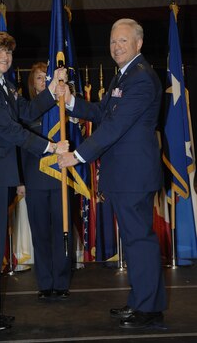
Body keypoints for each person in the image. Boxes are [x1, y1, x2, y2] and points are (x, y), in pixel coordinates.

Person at [58, 19, 167, 329]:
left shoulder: (142, 78)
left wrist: (77, 156)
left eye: (123, 41)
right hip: (124, 174)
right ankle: (142, 301)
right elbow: (102, 113)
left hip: (134, 174)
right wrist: (71, 101)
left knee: (139, 241)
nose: (117, 46)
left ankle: (148, 308)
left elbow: (116, 127)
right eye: (113, 41)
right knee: (134, 241)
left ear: (138, 44)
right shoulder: (125, 75)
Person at [0, 31, 68, 332]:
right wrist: (51, 147)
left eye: (7, 52)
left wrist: (52, 88)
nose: (4, 57)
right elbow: (9, 130)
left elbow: (28, 111)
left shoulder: (2, 84)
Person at [21, 62, 72, 301]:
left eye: (46, 77)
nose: (43, 82)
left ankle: (61, 282)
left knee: (62, 232)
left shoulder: (63, 109)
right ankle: (44, 282)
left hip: (60, 179)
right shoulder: (26, 110)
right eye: (39, 78)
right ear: (33, 83)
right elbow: (19, 148)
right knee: (40, 233)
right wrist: (20, 181)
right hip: (34, 180)